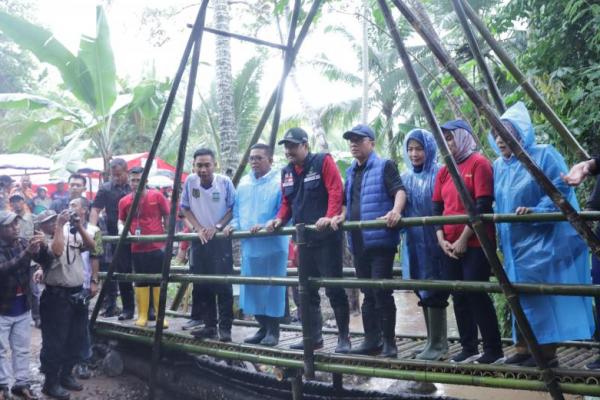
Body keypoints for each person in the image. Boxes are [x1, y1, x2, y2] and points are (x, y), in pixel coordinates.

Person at [490, 102, 595, 367]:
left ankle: (547, 353)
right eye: (497, 134)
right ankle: (524, 348)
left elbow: (562, 189)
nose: (500, 140)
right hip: (515, 244)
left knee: (540, 296)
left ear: (521, 132)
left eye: (506, 133)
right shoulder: (500, 166)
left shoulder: (544, 155)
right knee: (519, 295)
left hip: (542, 241)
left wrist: (537, 211)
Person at [265, 127, 351, 353]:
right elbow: (287, 203)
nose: (288, 151)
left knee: (333, 288)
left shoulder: (323, 161)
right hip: (303, 241)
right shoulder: (286, 172)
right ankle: (313, 338)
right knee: (306, 291)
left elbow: (335, 190)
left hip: (327, 239)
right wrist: (278, 220)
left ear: (305, 145)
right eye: (286, 147)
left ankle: (344, 337)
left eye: (293, 146)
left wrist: (330, 215)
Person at [329, 124, 405, 358]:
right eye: (351, 140)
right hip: (358, 241)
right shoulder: (351, 171)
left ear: (371, 143)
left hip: (380, 240)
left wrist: (396, 211)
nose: (353, 144)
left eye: (358, 140)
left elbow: (399, 191)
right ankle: (372, 339)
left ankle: (390, 343)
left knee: (381, 290)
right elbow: (346, 202)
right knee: (367, 292)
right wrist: (340, 215)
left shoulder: (385, 165)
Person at [432, 120, 503, 364]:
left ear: (462, 137)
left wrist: (463, 238)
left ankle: (494, 350)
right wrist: (441, 239)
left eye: (450, 138)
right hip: (449, 244)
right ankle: (469, 347)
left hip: (475, 243)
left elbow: (482, 205)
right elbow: (437, 208)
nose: (447, 144)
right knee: (459, 294)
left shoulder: (479, 163)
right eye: (444, 139)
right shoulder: (444, 170)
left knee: (477, 293)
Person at [223, 144, 289, 347]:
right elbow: (237, 213)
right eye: (252, 158)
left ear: (270, 159)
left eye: (259, 158)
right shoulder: (243, 184)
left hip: (273, 244)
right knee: (252, 287)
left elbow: (284, 210)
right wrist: (233, 226)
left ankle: (273, 330)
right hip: (250, 246)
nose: (254, 161)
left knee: (272, 287)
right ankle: (262, 326)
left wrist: (270, 223)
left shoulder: (280, 181)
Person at [401, 128, 449, 360]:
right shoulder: (406, 177)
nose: (414, 154)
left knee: (436, 288)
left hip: (436, 238)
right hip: (413, 240)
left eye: (419, 148)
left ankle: (440, 344)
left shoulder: (439, 172)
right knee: (421, 288)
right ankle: (432, 341)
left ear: (428, 149)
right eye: (410, 149)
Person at [38, 205, 96, 399]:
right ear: (41, 226)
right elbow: (56, 251)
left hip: (77, 294)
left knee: (75, 337)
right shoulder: (41, 242)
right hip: (56, 297)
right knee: (55, 342)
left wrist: (78, 226)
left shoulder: (71, 235)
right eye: (49, 222)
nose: (54, 223)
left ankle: (66, 375)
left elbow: (92, 246)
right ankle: (50, 382)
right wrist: (60, 226)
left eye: (55, 219)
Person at [180, 148, 235, 341]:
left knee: (223, 284)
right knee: (202, 284)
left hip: (219, 241)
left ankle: (225, 327)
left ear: (215, 165)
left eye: (207, 165)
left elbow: (232, 208)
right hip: (199, 239)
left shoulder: (224, 182)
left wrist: (217, 227)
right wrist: (198, 228)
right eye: (199, 165)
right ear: (193, 165)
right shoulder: (190, 181)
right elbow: (185, 208)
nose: (203, 169)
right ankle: (209, 326)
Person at [0, 210, 52, 400]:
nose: (15, 228)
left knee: (21, 348)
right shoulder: (19, 247)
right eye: (10, 225)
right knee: (0, 349)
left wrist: (43, 248)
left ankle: (21, 383)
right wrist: (27, 253)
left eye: (16, 224)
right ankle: (2, 385)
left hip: (23, 305)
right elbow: (4, 269)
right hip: (2, 308)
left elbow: (45, 261)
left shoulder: (23, 242)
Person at [118, 167, 170, 328]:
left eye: (139, 180)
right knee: (140, 281)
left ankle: (161, 315)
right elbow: (121, 220)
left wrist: (168, 236)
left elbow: (167, 215)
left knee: (158, 281)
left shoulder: (157, 196)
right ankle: (142, 314)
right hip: (137, 248)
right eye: (133, 180)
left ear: (145, 181)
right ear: (129, 181)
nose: (135, 183)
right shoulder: (124, 201)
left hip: (157, 246)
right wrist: (122, 230)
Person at [89, 158, 133, 319]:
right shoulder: (105, 189)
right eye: (113, 175)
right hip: (114, 236)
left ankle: (147, 309)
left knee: (141, 271)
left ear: (126, 172)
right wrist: (92, 229)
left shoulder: (134, 186)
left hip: (136, 233)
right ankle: (124, 308)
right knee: (121, 271)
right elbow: (95, 209)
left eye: (119, 175)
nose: (116, 178)